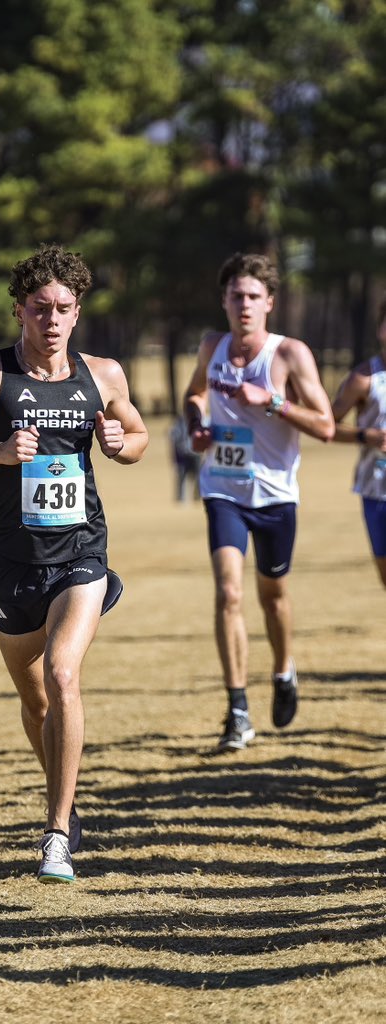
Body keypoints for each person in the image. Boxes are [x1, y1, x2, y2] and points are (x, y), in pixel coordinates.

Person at [0, 243, 148, 882]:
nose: (52, 320)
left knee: (62, 672)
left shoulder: (103, 375)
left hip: (81, 550)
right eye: (40, 308)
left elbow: (138, 437)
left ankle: (56, 833)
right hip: (13, 563)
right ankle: (63, 798)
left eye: (64, 309)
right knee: (37, 699)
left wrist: (119, 442)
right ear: (19, 310)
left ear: (78, 314)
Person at [183, 252, 334, 751]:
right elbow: (194, 395)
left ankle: (284, 669)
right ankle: (238, 709)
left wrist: (270, 402)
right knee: (229, 593)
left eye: (253, 296)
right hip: (223, 489)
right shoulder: (213, 345)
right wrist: (196, 426)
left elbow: (326, 426)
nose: (244, 305)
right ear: (224, 301)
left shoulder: (289, 354)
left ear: (269, 302)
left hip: (275, 496)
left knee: (273, 597)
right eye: (236, 296)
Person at [330, 294, 386, 588]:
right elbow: (327, 426)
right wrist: (366, 435)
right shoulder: (364, 379)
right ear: (380, 329)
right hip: (376, 490)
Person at [169, 415, 201, 501]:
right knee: (181, 476)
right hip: (183, 453)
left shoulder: (199, 420)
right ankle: (180, 497)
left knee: (198, 476)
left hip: (195, 454)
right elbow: (173, 437)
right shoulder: (178, 422)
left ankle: (197, 496)